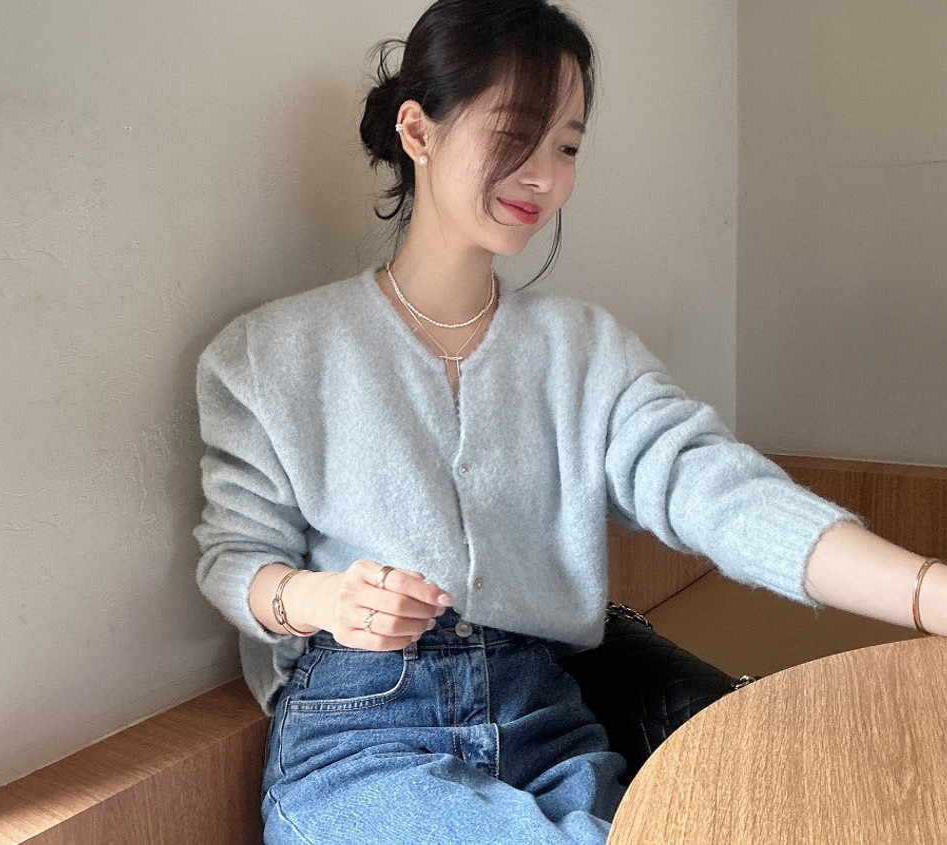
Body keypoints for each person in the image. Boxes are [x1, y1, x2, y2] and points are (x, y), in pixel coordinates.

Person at [193, 1, 946, 842]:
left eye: (568, 147)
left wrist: (927, 591)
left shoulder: (584, 351)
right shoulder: (268, 354)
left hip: (550, 725)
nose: (546, 178)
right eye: (516, 134)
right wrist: (322, 597)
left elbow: (722, 493)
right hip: (362, 733)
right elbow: (235, 560)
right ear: (418, 130)